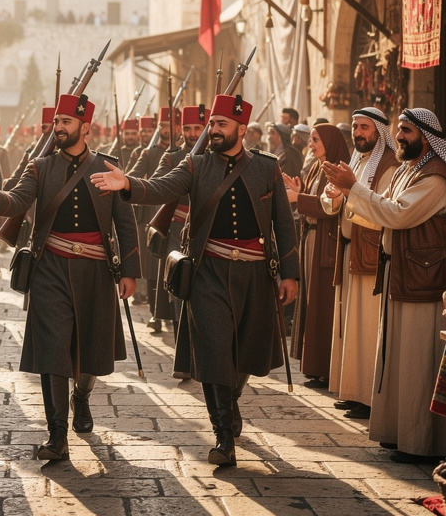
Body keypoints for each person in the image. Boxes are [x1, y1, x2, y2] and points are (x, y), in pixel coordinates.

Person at [92, 93, 298, 467]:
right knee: (214, 349)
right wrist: (127, 185)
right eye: (212, 124)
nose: (213, 130)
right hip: (209, 272)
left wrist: (291, 274)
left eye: (221, 124)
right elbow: (160, 188)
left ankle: (229, 401)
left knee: (243, 355)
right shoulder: (195, 165)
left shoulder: (266, 168)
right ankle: (222, 435)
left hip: (254, 274)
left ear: (242, 129)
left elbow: (283, 225)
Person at [0, 93, 140, 462]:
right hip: (51, 269)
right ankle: (57, 435)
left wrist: (130, 271)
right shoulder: (40, 168)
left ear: (85, 128)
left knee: (91, 353)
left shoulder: (109, 167)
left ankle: (81, 396)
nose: (58, 128)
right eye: (56, 122)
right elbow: (17, 200)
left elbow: (125, 224)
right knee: (52, 349)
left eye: (66, 122)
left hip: (95, 270)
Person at [322, 108, 446, 463]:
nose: (400, 137)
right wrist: (348, 197)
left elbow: (398, 214)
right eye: (399, 131)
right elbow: (383, 210)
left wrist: (353, 189)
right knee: (398, 357)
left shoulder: (435, 177)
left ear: (424, 136)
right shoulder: (409, 169)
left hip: (425, 280)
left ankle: (422, 444)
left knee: (417, 360)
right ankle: (399, 435)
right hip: (403, 273)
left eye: (407, 131)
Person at [323, 108, 397, 421]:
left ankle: (369, 398)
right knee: (351, 325)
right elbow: (332, 203)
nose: (358, 132)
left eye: (364, 127)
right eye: (355, 127)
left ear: (379, 132)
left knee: (367, 328)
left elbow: (384, 212)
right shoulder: (355, 160)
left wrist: (348, 196)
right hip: (350, 249)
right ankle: (354, 393)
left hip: (370, 253)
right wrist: (334, 196)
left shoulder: (389, 164)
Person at [284, 124, 350, 390]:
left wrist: (298, 197)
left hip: (326, 243)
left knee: (323, 306)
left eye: (315, 140)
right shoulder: (315, 167)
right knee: (311, 302)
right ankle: (313, 366)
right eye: (311, 140)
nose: (310, 145)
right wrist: (301, 190)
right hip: (310, 238)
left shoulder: (336, 169)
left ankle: (324, 368)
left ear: (329, 142)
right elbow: (315, 198)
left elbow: (329, 209)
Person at [153, 103, 209, 378]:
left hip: (208, 232)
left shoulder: (216, 158)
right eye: (187, 128)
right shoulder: (173, 157)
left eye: (197, 128)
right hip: (178, 229)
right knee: (179, 288)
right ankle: (183, 358)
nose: (191, 133)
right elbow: (156, 185)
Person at [127, 106, 172, 329]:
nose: (166, 130)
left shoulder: (187, 154)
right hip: (153, 215)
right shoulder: (148, 153)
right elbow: (132, 177)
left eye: (170, 126)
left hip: (179, 217)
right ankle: (155, 314)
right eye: (163, 125)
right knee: (154, 266)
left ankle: (174, 313)